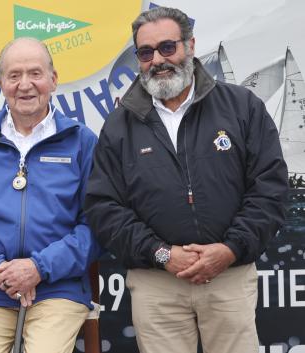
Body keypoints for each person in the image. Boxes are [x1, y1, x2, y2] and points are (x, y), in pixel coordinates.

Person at [84, 6, 288, 353]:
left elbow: (269, 188)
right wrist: (162, 253)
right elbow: (104, 207)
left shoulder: (242, 107)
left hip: (229, 276)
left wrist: (229, 249)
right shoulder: (119, 125)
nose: (158, 60)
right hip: (157, 284)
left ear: (189, 45)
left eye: (167, 47)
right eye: (146, 53)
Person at [0, 37, 99, 353]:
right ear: (1, 83)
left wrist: (39, 267)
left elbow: (94, 226)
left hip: (58, 288)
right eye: (14, 76)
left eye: (35, 73)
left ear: (54, 79)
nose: (25, 84)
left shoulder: (81, 141)